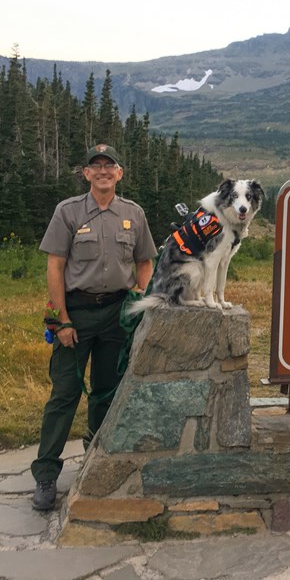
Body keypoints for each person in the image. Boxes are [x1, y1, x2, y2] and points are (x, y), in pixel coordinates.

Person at [31, 144, 158, 511]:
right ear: (85, 174)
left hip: (116, 316)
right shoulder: (67, 212)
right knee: (64, 395)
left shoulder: (133, 214)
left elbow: (144, 262)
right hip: (77, 314)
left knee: (105, 392)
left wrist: (138, 295)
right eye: (95, 165)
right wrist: (61, 320)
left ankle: (95, 456)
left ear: (120, 173)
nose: (102, 170)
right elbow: (55, 267)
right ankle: (46, 474)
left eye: (110, 165)